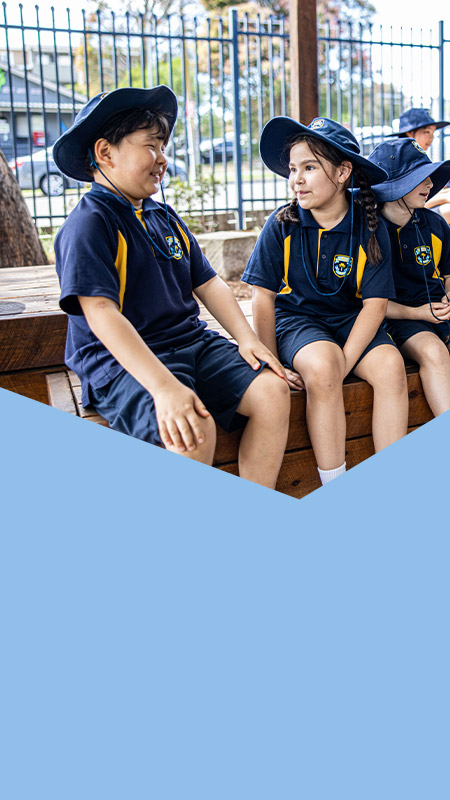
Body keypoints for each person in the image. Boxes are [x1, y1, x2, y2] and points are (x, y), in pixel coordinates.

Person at [52, 86, 290, 489]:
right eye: (151, 146)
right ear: (105, 153)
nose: (162, 158)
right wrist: (163, 388)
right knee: (193, 432)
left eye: (163, 146)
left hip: (191, 343)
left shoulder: (164, 215)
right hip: (126, 362)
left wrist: (247, 339)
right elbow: (101, 314)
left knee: (272, 393)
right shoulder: (90, 224)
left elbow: (209, 283)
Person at [242, 117, 408, 486]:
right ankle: (336, 481)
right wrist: (272, 363)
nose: (296, 179)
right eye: (292, 169)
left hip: (350, 317)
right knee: (324, 365)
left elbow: (375, 305)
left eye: (310, 168)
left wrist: (348, 359)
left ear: (343, 172)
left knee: (392, 367)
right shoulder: (282, 223)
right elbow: (262, 299)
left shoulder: (368, 225)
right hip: (298, 321)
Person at [368, 137, 450, 416]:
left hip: (437, 310)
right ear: (394, 185)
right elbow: (370, 303)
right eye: (420, 178)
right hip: (398, 318)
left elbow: (448, 272)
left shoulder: (435, 223)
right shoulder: (369, 229)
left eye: (430, 176)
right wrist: (420, 314)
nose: (430, 184)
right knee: (435, 353)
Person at [388, 108, 450, 223]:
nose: (431, 138)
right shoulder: (396, 161)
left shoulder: (421, 158)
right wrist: (444, 197)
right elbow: (403, 202)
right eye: (427, 132)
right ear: (410, 133)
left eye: (433, 133)